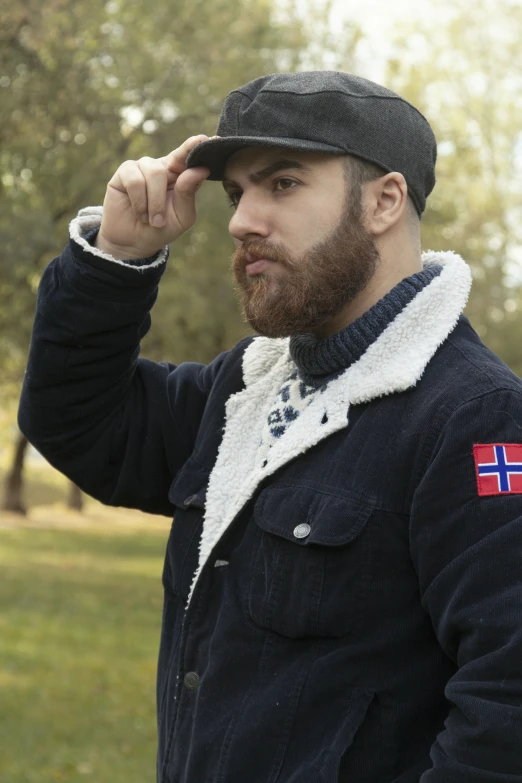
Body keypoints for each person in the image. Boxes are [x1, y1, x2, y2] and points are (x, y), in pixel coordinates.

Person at [18, 71, 522, 782]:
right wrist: (117, 260)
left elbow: (507, 709)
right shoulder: (251, 388)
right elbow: (81, 422)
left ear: (384, 201)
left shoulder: (474, 417)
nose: (241, 220)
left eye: (282, 184)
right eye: (237, 193)